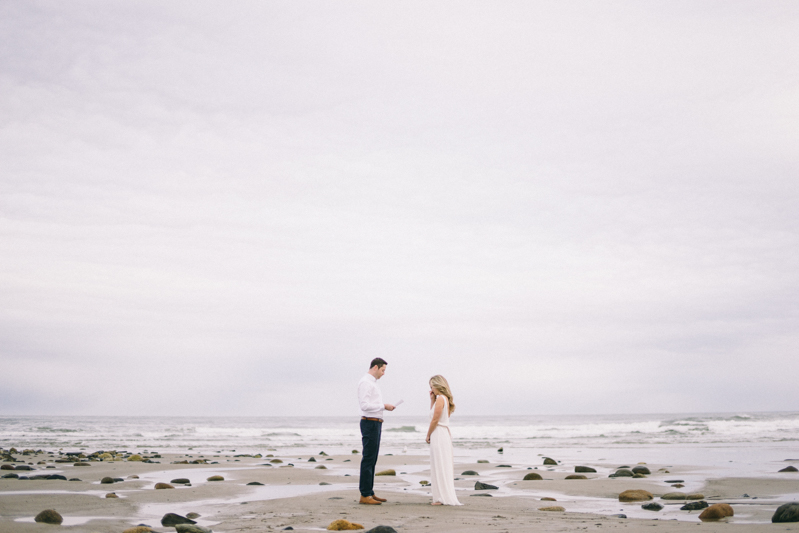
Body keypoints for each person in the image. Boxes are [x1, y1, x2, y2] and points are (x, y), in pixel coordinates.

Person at [357, 357, 395, 505]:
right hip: (369, 423)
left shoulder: (372, 383)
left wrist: (383, 407)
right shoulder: (366, 383)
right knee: (368, 459)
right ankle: (365, 495)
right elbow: (364, 406)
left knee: (372, 459)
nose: (384, 373)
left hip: (376, 423)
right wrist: (383, 406)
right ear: (375, 368)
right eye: (383, 370)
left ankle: (369, 492)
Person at [425, 374, 462, 506]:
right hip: (443, 433)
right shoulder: (443, 399)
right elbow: (433, 415)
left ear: (437, 385)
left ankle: (441, 497)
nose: (431, 389)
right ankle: (441, 495)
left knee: (440, 464)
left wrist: (428, 434)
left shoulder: (441, 399)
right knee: (441, 464)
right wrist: (431, 400)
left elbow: (435, 420)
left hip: (439, 433)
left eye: (432, 386)